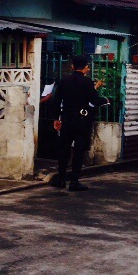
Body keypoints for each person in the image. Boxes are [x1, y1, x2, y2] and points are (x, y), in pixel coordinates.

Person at [48, 55, 106, 192]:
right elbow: (94, 100)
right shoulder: (87, 82)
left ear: (72, 66)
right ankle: (74, 181)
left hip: (67, 119)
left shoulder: (63, 81)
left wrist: (56, 119)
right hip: (82, 120)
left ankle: (61, 179)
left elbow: (56, 101)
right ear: (86, 68)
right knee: (79, 150)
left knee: (64, 150)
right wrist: (104, 100)